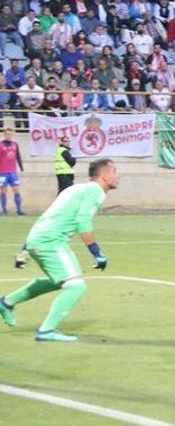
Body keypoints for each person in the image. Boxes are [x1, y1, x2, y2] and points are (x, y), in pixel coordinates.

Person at [0, 158, 119, 342]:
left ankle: (7, 302)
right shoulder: (95, 191)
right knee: (76, 286)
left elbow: (47, 216)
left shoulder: (75, 189)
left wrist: (25, 249)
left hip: (38, 238)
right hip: (51, 241)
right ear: (104, 175)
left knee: (58, 280)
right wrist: (96, 252)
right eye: (114, 172)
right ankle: (46, 331)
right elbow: (83, 222)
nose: (117, 176)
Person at [0, 126, 23, 215]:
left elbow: (18, 156)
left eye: (10, 134)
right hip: (2, 172)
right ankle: (4, 210)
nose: (9, 136)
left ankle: (19, 210)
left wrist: (21, 167)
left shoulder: (15, 144)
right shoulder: (0, 145)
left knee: (16, 189)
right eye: (7, 134)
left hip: (12, 172)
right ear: (4, 135)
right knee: (3, 190)